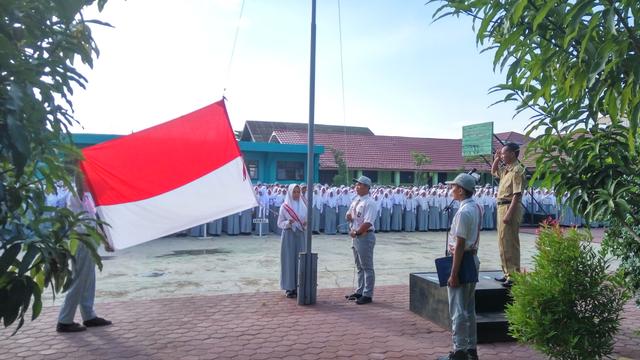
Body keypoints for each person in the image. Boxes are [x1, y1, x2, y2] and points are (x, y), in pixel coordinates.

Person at [56, 172, 115, 333]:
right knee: (80, 280)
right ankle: (64, 320)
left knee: (88, 280)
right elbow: (80, 188)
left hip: (90, 240)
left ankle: (89, 315)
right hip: (81, 240)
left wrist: (104, 241)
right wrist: (78, 166)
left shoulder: (88, 200)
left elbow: (94, 223)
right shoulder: (75, 195)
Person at [437, 173, 482, 360]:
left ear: (461, 190)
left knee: (457, 308)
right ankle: (471, 348)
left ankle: (460, 350)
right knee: (469, 307)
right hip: (471, 259)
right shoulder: (476, 207)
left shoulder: (463, 212)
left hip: (462, 260)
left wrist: (454, 274)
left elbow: (460, 244)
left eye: (453, 187)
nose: (451, 190)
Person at [491, 142, 526, 288]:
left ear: (512, 154)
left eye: (503, 153)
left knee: (510, 242)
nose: (502, 156)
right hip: (502, 207)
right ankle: (507, 272)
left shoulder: (517, 170)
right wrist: (496, 159)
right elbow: (493, 172)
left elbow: (517, 195)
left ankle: (513, 275)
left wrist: (509, 214)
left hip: (510, 207)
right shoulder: (506, 170)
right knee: (503, 242)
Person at [344, 176, 377, 305]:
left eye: (359, 185)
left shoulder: (369, 203)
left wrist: (357, 231)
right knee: (359, 267)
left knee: (367, 267)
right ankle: (360, 290)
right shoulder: (356, 201)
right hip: (356, 236)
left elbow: (368, 222)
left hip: (364, 236)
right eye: (356, 185)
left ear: (367, 187)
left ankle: (368, 294)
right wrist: (348, 218)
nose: (356, 187)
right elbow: (350, 216)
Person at [277, 184, 307, 299]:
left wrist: (305, 224)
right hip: (289, 235)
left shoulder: (303, 206)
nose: (296, 194)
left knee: (300, 260)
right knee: (289, 260)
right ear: (289, 193)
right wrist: (288, 223)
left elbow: (306, 221)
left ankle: (299, 286)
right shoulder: (284, 207)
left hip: (300, 235)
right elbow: (280, 223)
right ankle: (289, 287)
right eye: (294, 192)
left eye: (298, 192)